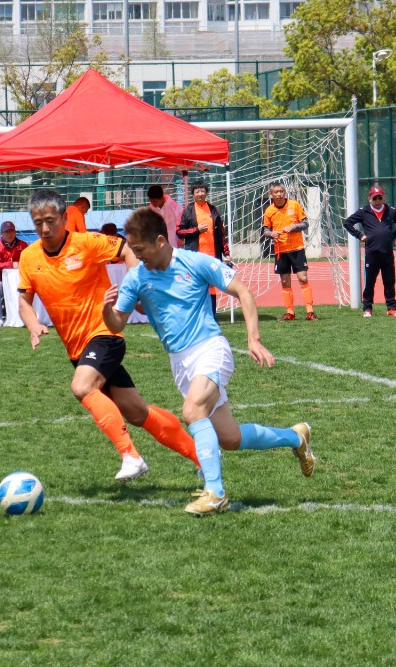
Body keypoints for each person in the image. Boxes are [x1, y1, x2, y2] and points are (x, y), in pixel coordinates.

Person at [104, 208, 315, 516]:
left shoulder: (195, 262)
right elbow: (117, 323)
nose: (136, 256)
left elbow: (242, 291)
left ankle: (215, 492)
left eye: (139, 249)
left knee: (193, 411)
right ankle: (296, 436)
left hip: (210, 349)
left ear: (160, 241)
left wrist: (253, 339)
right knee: (230, 438)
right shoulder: (136, 277)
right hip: (180, 363)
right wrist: (106, 311)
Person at [18, 187, 199, 483]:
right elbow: (24, 302)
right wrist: (32, 324)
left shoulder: (87, 242)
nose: (45, 228)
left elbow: (126, 249)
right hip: (77, 349)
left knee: (82, 387)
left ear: (64, 218)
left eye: (50, 221)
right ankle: (202, 455)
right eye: (38, 223)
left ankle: (131, 456)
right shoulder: (29, 257)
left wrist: (134, 285)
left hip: (105, 333)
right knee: (137, 413)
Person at [343, 185, 396, 317]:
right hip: (372, 253)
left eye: (380, 198)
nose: (377, 201)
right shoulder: (364, 211)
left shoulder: (390, 211)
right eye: (375, 198)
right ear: (369, 199)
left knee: (389, 282)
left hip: (387, 253)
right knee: (370, 282)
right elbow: (347, 223)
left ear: (384, 197)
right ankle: (367, 309)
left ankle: (391, 308)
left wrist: (394, 235)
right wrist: (360, 235)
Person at [176, 179, 230, 317]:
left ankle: (211, 316)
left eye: (202, 191)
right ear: (193, 194)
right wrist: (196, 230)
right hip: (194, 257)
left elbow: (221, 234)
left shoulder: (213, 210)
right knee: (195, 285)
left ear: (206, 193)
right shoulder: (187, 211)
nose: (200, 194)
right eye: (197, 191)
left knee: (211, 286)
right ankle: (195, 316)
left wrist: (226, 253)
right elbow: (179, 231)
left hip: (212, 256)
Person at [263, 182, 315, 321]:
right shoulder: (269, 211)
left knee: (303, 278)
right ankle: (290, 313)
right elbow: (266, 230)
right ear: (271, 195)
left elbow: (305, 223)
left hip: (297, 249)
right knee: (285, 281)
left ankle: (310, 311)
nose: (279, 194)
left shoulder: (294, 205)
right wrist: (271, 234)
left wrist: (293, 227)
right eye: (276, 192)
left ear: (284, 192)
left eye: (281, 191)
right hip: (281, 250)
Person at [0, 220, 27, 326]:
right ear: (1, 234)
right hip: (3, 280)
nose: (9, 234)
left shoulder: (23, 245)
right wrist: (12, 264)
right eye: (6, 232)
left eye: (11, 231)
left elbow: (29, 261)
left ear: (15, 232)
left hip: (21, 280)